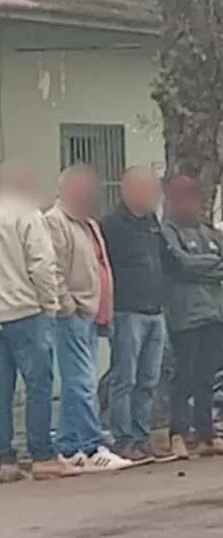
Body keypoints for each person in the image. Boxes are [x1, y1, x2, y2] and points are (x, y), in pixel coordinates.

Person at [45, 165, 131, 473]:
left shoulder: (88, 224)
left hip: (93, 314)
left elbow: (99, 266)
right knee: (81, 382)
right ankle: (93, 447)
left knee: (79, 382)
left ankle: (69, 447)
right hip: (74, 315)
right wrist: (68, 306)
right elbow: (51, 269)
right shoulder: (55, 222)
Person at [159, 175, 223, 460]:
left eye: (193, 198)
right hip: (186, 315)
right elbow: (181, 264)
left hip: (216, 315)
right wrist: (212, 265)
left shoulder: (210, 232)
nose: (190, 204)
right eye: (183, 197)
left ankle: (207, 434)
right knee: (183, 377)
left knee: (207, 377)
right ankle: (178, 434)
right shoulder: (167, 232)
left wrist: (207, 266)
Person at [0, 161, 71, 482]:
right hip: (26, 311)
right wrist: (50, 304)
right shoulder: (27, 215)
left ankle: (5, 459)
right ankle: (42, 455)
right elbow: (42, 264)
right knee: (38, 386)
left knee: (2, 389)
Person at [102, 166, 169, 464]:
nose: (153, 196)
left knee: (148, 380)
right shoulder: (111, 226)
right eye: (147, 189)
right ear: (128, 190)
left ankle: (142, 439)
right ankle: (123, 439)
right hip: (127, 313)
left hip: (156, 312)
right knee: (124, 379)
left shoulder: (153, 223)